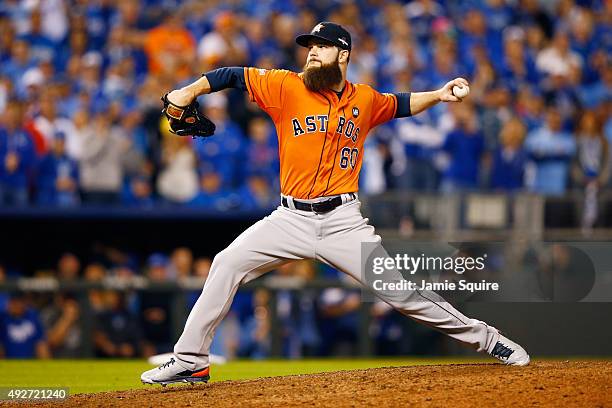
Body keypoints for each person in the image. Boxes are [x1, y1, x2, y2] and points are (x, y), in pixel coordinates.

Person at [141, 22, 529, 386]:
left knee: (402, 295)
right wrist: (188, 91)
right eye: (309, 47)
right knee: (227, 263)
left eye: (321, 47)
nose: (311, 53)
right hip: (289, 218)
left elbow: (401, 103)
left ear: (342, 55)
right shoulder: (284, 86)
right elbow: (230, 75)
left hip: (343, 221)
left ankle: (490, 339)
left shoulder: (364, 99)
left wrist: (440, 95)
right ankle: (192, 360)